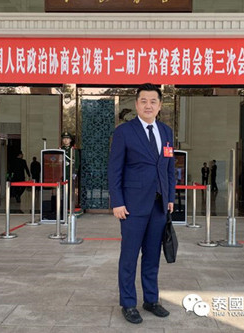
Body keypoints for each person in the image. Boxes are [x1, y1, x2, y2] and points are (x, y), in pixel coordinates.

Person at [108, 83, 175, 325]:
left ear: (159, 105)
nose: (148, 105)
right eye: (143, 101)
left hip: (158, 205)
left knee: (152, 256)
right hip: (132, 206)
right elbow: (114, 169)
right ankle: (128, 303)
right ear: (136, 104)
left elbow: (168, 168)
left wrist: (170, 197)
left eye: (153, 101)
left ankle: (151, 300)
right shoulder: (124, 132)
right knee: (129, 256)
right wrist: (117, 201)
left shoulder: (166, 132)